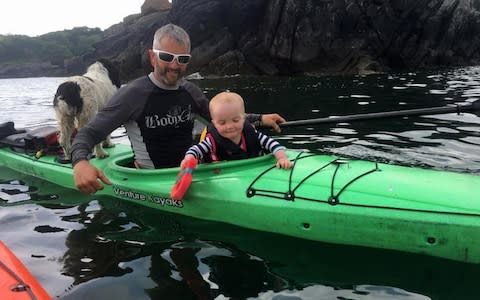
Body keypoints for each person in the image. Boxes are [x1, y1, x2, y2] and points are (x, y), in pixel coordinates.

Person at [72, 23, 286, 194]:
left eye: (182, 59)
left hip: (194, 171)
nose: (175, 65)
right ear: (152, 56)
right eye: (166, 57)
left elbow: (222, 119)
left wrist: (259, 119)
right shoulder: (132, 95)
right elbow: (89, 133)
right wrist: (80, 163)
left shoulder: (190, 90)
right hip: (153, 181)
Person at [181, 91, 293, 169]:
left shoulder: (252, 134)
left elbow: (272, 144)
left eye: (235, 120)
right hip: (223, 176)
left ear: (244, 118)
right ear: (214, 123)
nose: (230, 126)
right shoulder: (211, 142)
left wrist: (282, 158)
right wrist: (188, 158)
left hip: (251, 170)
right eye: (222, 123)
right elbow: (195, 150)